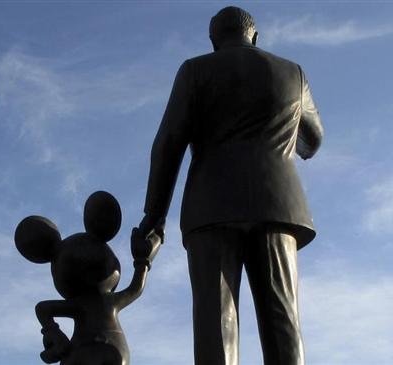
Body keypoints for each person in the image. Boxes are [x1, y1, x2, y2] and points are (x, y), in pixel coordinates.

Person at [135, 6, 323, 365]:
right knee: (283, 317)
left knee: (216, 320)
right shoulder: (291, 73)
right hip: (278, 205)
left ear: (213, 41)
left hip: (212, 206)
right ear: (255, 36)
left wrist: (153, 218)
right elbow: (313, 140)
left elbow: (169, 142)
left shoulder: (195, 71)